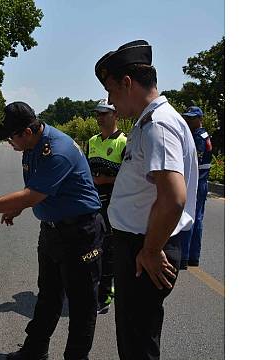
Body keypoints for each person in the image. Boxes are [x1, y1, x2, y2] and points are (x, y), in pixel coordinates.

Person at [0, 101, 104, 360]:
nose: (9, 144)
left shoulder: (56, 151)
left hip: (80, 234)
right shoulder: (31, 146)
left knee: (82, 305)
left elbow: (30, 195)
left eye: (10, 138)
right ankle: (34, 351)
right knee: (48, 295)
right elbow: (39, 192)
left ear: (26, 132)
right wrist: (18, 208)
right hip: (52, 232)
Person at [94, 40, 198, 360]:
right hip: (141, 245)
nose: (110, 101)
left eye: (111, 91)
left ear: (127, 83)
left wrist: (151, 251)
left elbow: (173, 197)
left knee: (138, 342)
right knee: (135, 336)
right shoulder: (146, 123)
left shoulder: (159, 126)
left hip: (145, 248)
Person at [86, 99, 127, 314]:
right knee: (94, 249)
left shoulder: (123, 142)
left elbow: (131, 177)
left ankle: (105, 296)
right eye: (98, 114)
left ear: (115, 115)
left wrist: (106, 181)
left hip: (115, 205)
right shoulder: (91, 141)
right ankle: (94, 290)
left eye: (105, 113)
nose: (100, 118)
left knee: (109, 250)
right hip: (93, 205)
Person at [179, 106, 212, 269]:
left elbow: (194, 162)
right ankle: (192, 256)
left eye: (192, 118)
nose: (188, 121)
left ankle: (185, 256)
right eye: (187, 117)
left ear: (200, 119)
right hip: (201, 181)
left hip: (197, 181)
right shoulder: (202, 134)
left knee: (189, 216)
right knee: (196, 217)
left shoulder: (198, 137)